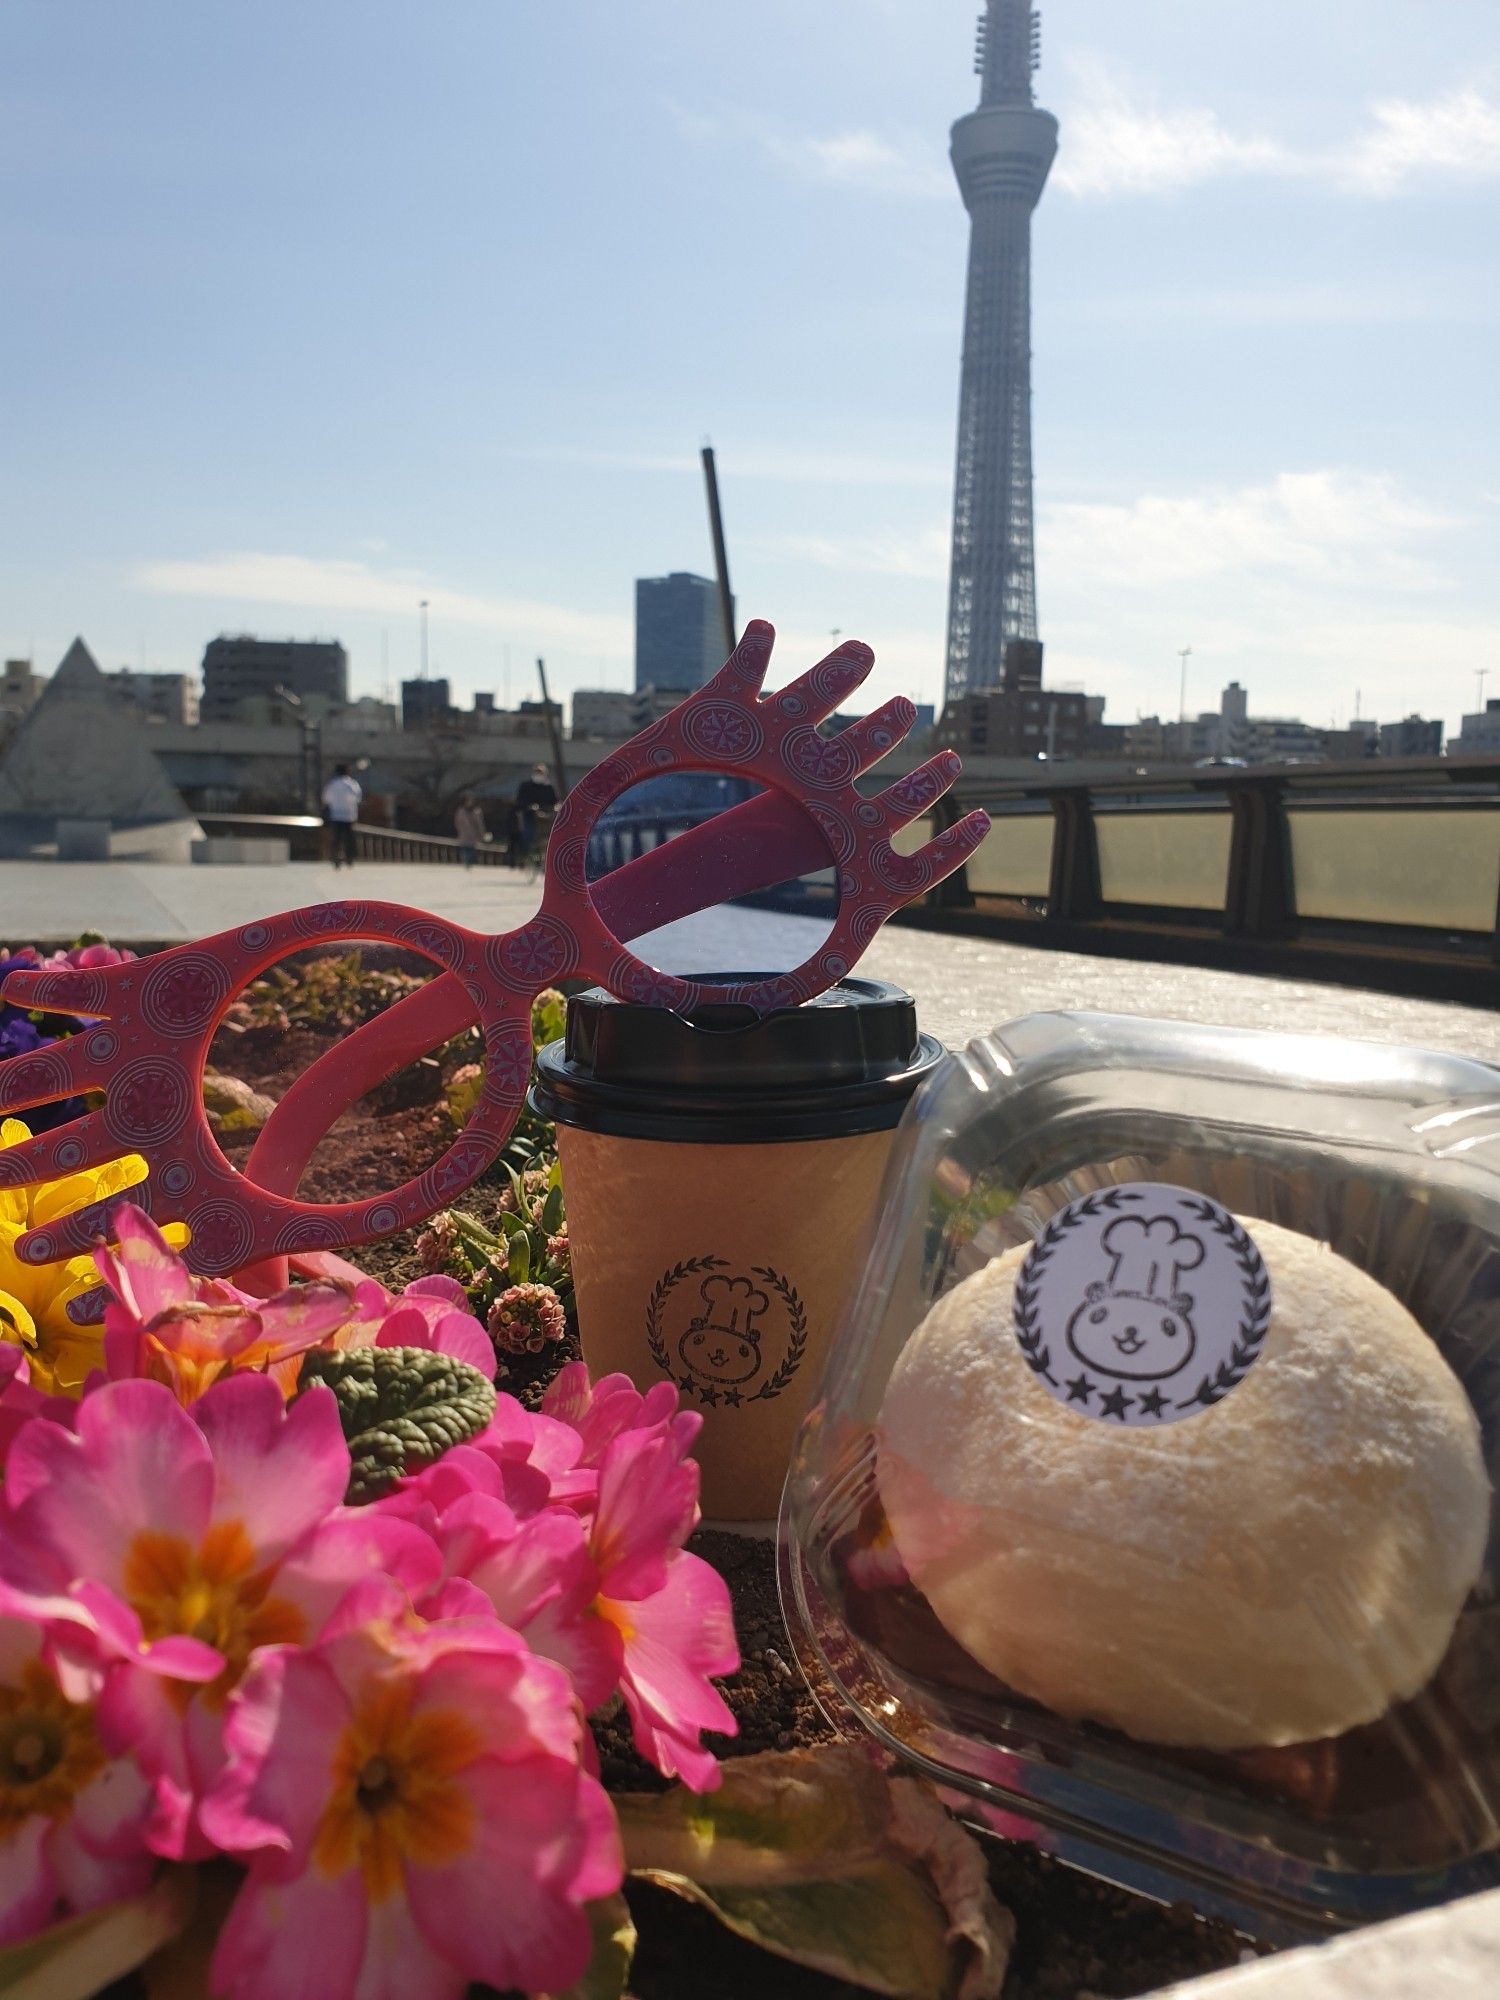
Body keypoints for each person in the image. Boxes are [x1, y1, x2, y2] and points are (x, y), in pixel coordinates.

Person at [515, 763, 558, 866]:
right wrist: (529, 807)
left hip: (546, 817)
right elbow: (519, 801)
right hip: (530, 816)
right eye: (537, 772)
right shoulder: (525, 786)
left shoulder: (549, 787)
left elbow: (554, 801)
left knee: (550, 838)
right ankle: (525, 855)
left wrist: (555, 808)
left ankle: (546, 859)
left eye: (541, 773)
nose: (539, 775)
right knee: (527, 835)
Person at [321, 762, 362, 870]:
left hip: (336, 815)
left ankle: (336, 856)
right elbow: (358, 798)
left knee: (336, 837)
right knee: (349, 837)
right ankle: (350, 857)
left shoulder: (332, 784)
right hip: (349, 815)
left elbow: (326, 799)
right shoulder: (352, 784)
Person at [454, 793, 486, 869]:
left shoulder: (477, 811)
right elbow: (457, 822)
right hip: (464, 833)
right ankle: (466, 862)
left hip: (473, 834)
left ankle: (469, 862)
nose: (470, 802)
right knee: (464, 848)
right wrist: (459, 830)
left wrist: (482, 832)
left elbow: (480, 823)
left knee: (472, 849)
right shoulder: (461, 811)